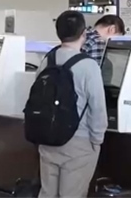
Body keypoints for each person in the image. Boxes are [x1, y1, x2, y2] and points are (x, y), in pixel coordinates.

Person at [36, 11, 107, 197]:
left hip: (47, 140)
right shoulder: (89, 66)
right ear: (83, 33)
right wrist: (97, 141)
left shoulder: (47, 61)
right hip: (79, 144)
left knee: (47, 194)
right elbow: (98, 108)